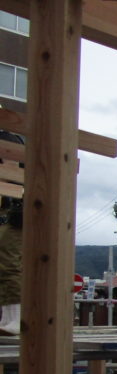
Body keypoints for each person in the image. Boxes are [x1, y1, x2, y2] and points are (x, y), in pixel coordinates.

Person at [0, 130, 23, 336]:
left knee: (9, 265)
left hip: (16, 214)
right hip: (10, 212)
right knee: (5, 267)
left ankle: (16, 318)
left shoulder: (10, 141)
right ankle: (8, 318)